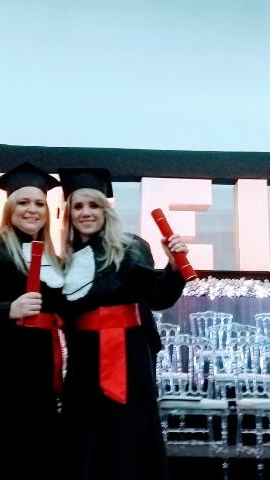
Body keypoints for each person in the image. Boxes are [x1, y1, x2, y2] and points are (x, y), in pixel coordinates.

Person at [57, 167, 188, 480]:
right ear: (69, 214)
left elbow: (158, 296)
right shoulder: (64, 261)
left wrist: (173, 266)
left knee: (128, 431)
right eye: (78, 206)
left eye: (93, 205)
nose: (86, 213)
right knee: (85, 429)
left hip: (128, 356)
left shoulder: (130, 247)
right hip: (85, 356)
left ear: (106, 210)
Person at [0, 161, 65, 480]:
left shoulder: (51, 255)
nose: (32, 210)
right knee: (0, 441)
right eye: (23, 202)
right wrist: (9, 309)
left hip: (39, 359)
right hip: (0, 362)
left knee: (36, 440)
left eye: (39, 204)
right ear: (9, 209)